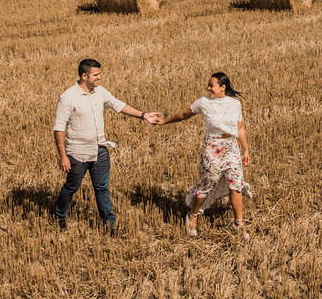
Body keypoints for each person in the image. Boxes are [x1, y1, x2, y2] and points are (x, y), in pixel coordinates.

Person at [52, 58, 158, 233]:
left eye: (99, 74)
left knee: (101, 188)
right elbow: (59, 129)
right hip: (77, 153)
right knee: (71, 187)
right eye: (96, 75)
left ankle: (109, 224)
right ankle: (59, 216)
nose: (99, 77)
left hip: (100, 149)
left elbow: (119, 105)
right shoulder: (68, 98)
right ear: (84, 76)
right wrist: (63, 156)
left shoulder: (100, 92)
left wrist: (143, 115)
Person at [157, 71, 252, 239]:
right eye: (208, 85)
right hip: (212, 148)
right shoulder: (204, 102)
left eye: (211, 85)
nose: (208, 88)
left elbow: (240, 128)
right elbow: (184, 114)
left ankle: (239, 224)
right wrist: (165, 121)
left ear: (223, 87)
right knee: (208, 183)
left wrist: (245, 149)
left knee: (236, 185)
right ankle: (192, 216)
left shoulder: (235, 103)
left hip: (231, 148)